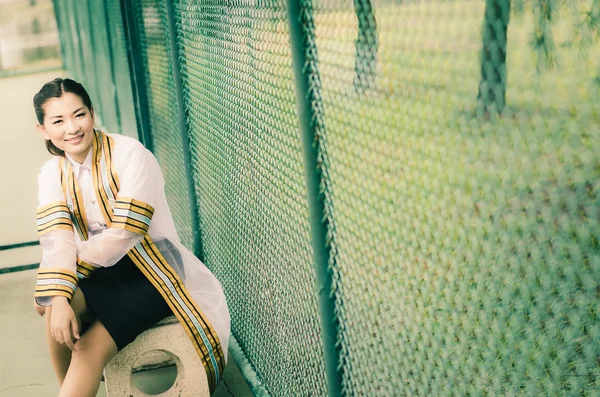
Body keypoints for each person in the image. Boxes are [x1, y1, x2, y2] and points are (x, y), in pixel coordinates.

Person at [32, 78, 230, 397]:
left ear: (92, 113)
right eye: (58, 121)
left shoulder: (130, 154)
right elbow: (58, 240)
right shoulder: (51, 173)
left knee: (87, 350)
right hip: (99, 271)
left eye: (78, 114)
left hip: (152, 270)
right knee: (57, 307)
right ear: (43, 129)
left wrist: (64, 279)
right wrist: (57, 293)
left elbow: (124, 234)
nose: (72, 127)